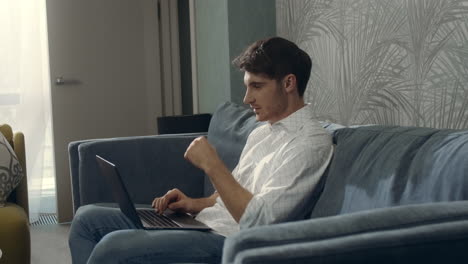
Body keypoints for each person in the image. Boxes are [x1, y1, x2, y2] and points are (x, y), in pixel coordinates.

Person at [68, 36, 333, 264]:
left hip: (230, 241)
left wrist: (213, 165)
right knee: (86, 219)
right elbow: (234, 194)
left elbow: (259, 223)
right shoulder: (263, 132)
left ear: (288, 84)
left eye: (257, 86)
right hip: (204, 225)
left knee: (113, 247)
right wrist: (194, 204)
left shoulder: (309, 143)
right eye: (247, 86)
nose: (247, 99)